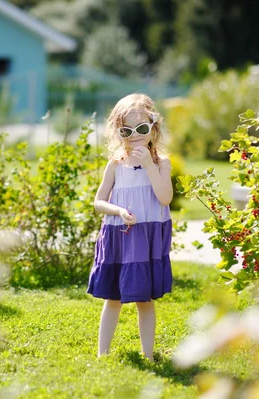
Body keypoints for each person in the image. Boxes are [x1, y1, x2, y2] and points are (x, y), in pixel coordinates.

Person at [87, 93, 173, 362]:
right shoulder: (115, 165)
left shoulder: (161, 163)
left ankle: (148, 354)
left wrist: (149, 165)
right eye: (127, 130)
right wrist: (119, 210)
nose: (135, 135)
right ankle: (103, 354)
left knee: (144, 299)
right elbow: (99, 201)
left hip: (146, 239)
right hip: (120, 237)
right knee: (112, 297)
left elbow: (165, 198)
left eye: (142, 129)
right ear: (118, 132)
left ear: (153, 128)